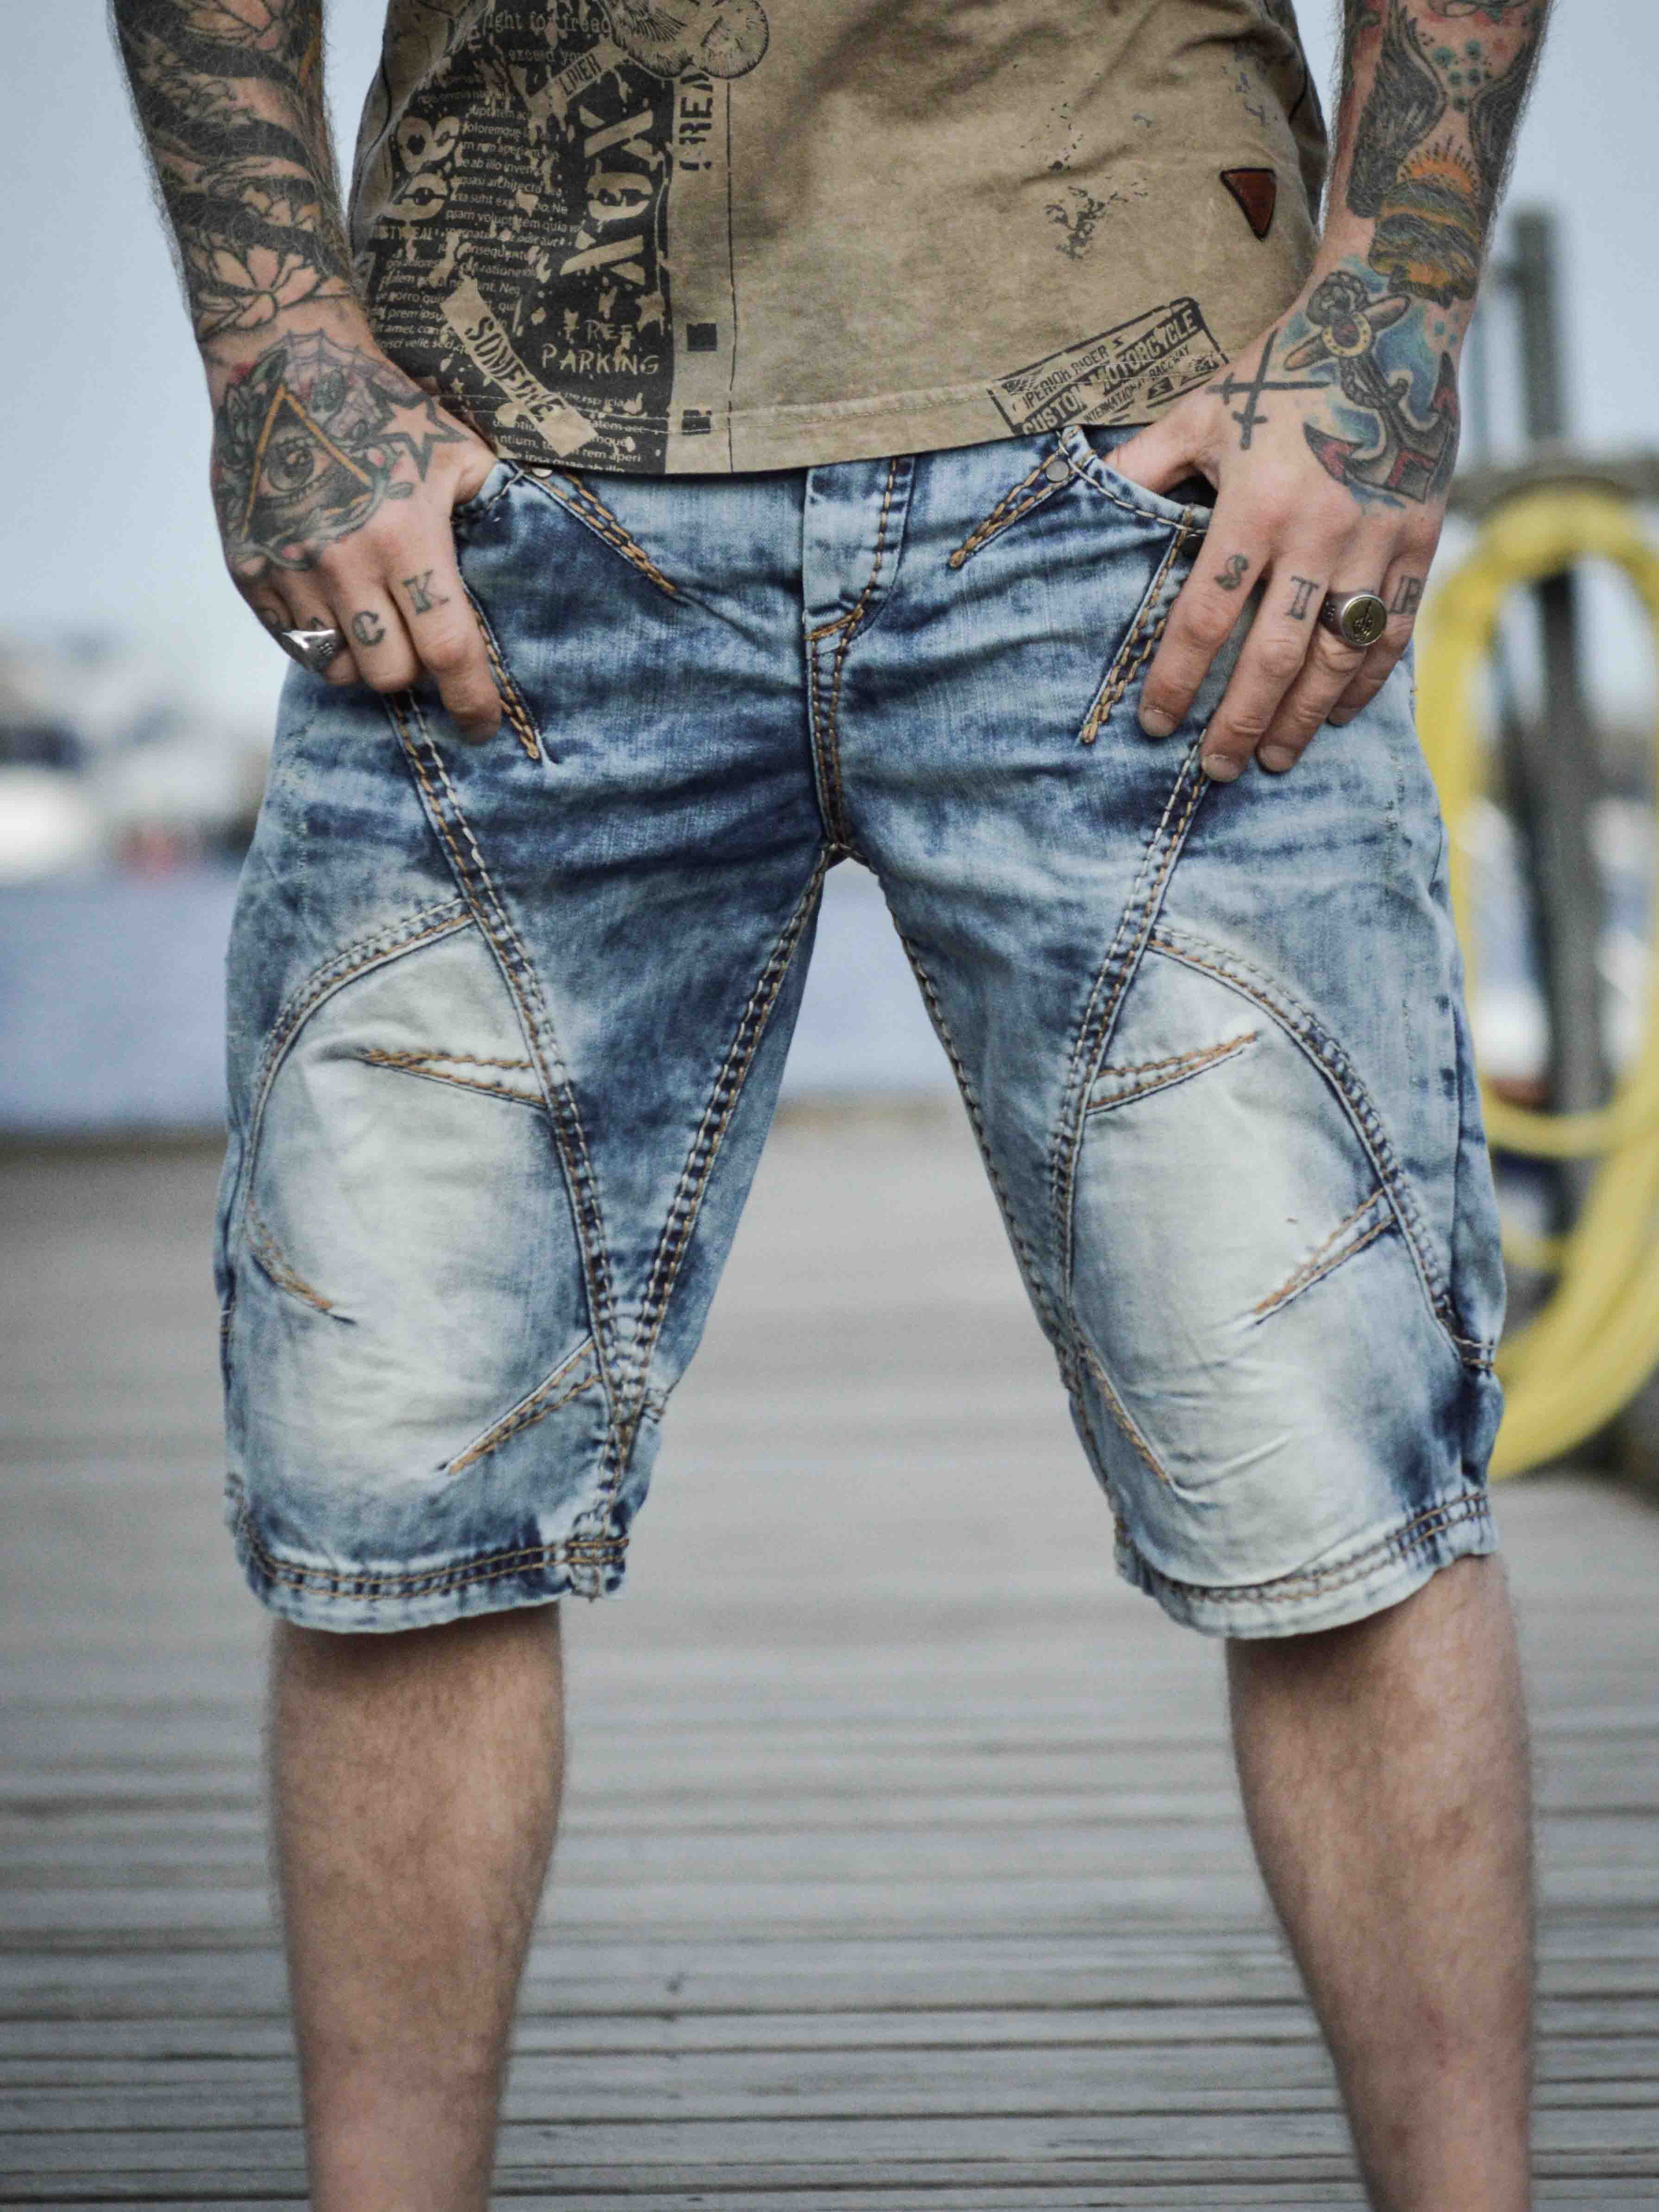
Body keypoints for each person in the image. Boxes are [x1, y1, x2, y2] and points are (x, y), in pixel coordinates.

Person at [113, 2, 1549, 2205]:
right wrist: (275, 341)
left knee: (1332, 1470)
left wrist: (1387, 308)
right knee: (390, 1495)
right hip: (510, 475)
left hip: (1143, 455)